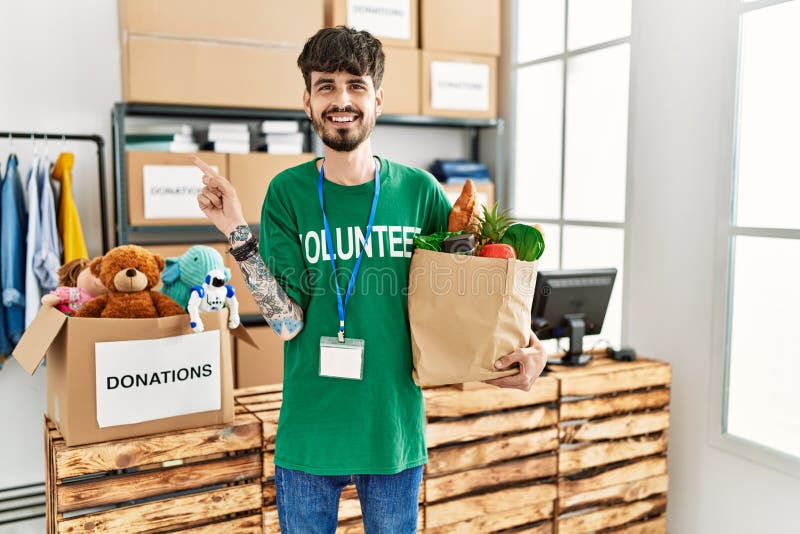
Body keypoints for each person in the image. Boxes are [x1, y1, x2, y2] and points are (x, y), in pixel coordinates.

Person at [194, 26, 547, 534]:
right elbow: (288, 324)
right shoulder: (288, 193)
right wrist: (236, 232)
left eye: (356, 85)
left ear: (378, 98)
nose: (342, 100)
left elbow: (472, 294)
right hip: (310, 435)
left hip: (393, 432)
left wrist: (533, 346)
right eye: (326, 86)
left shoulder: (420, 193)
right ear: (308, 101)